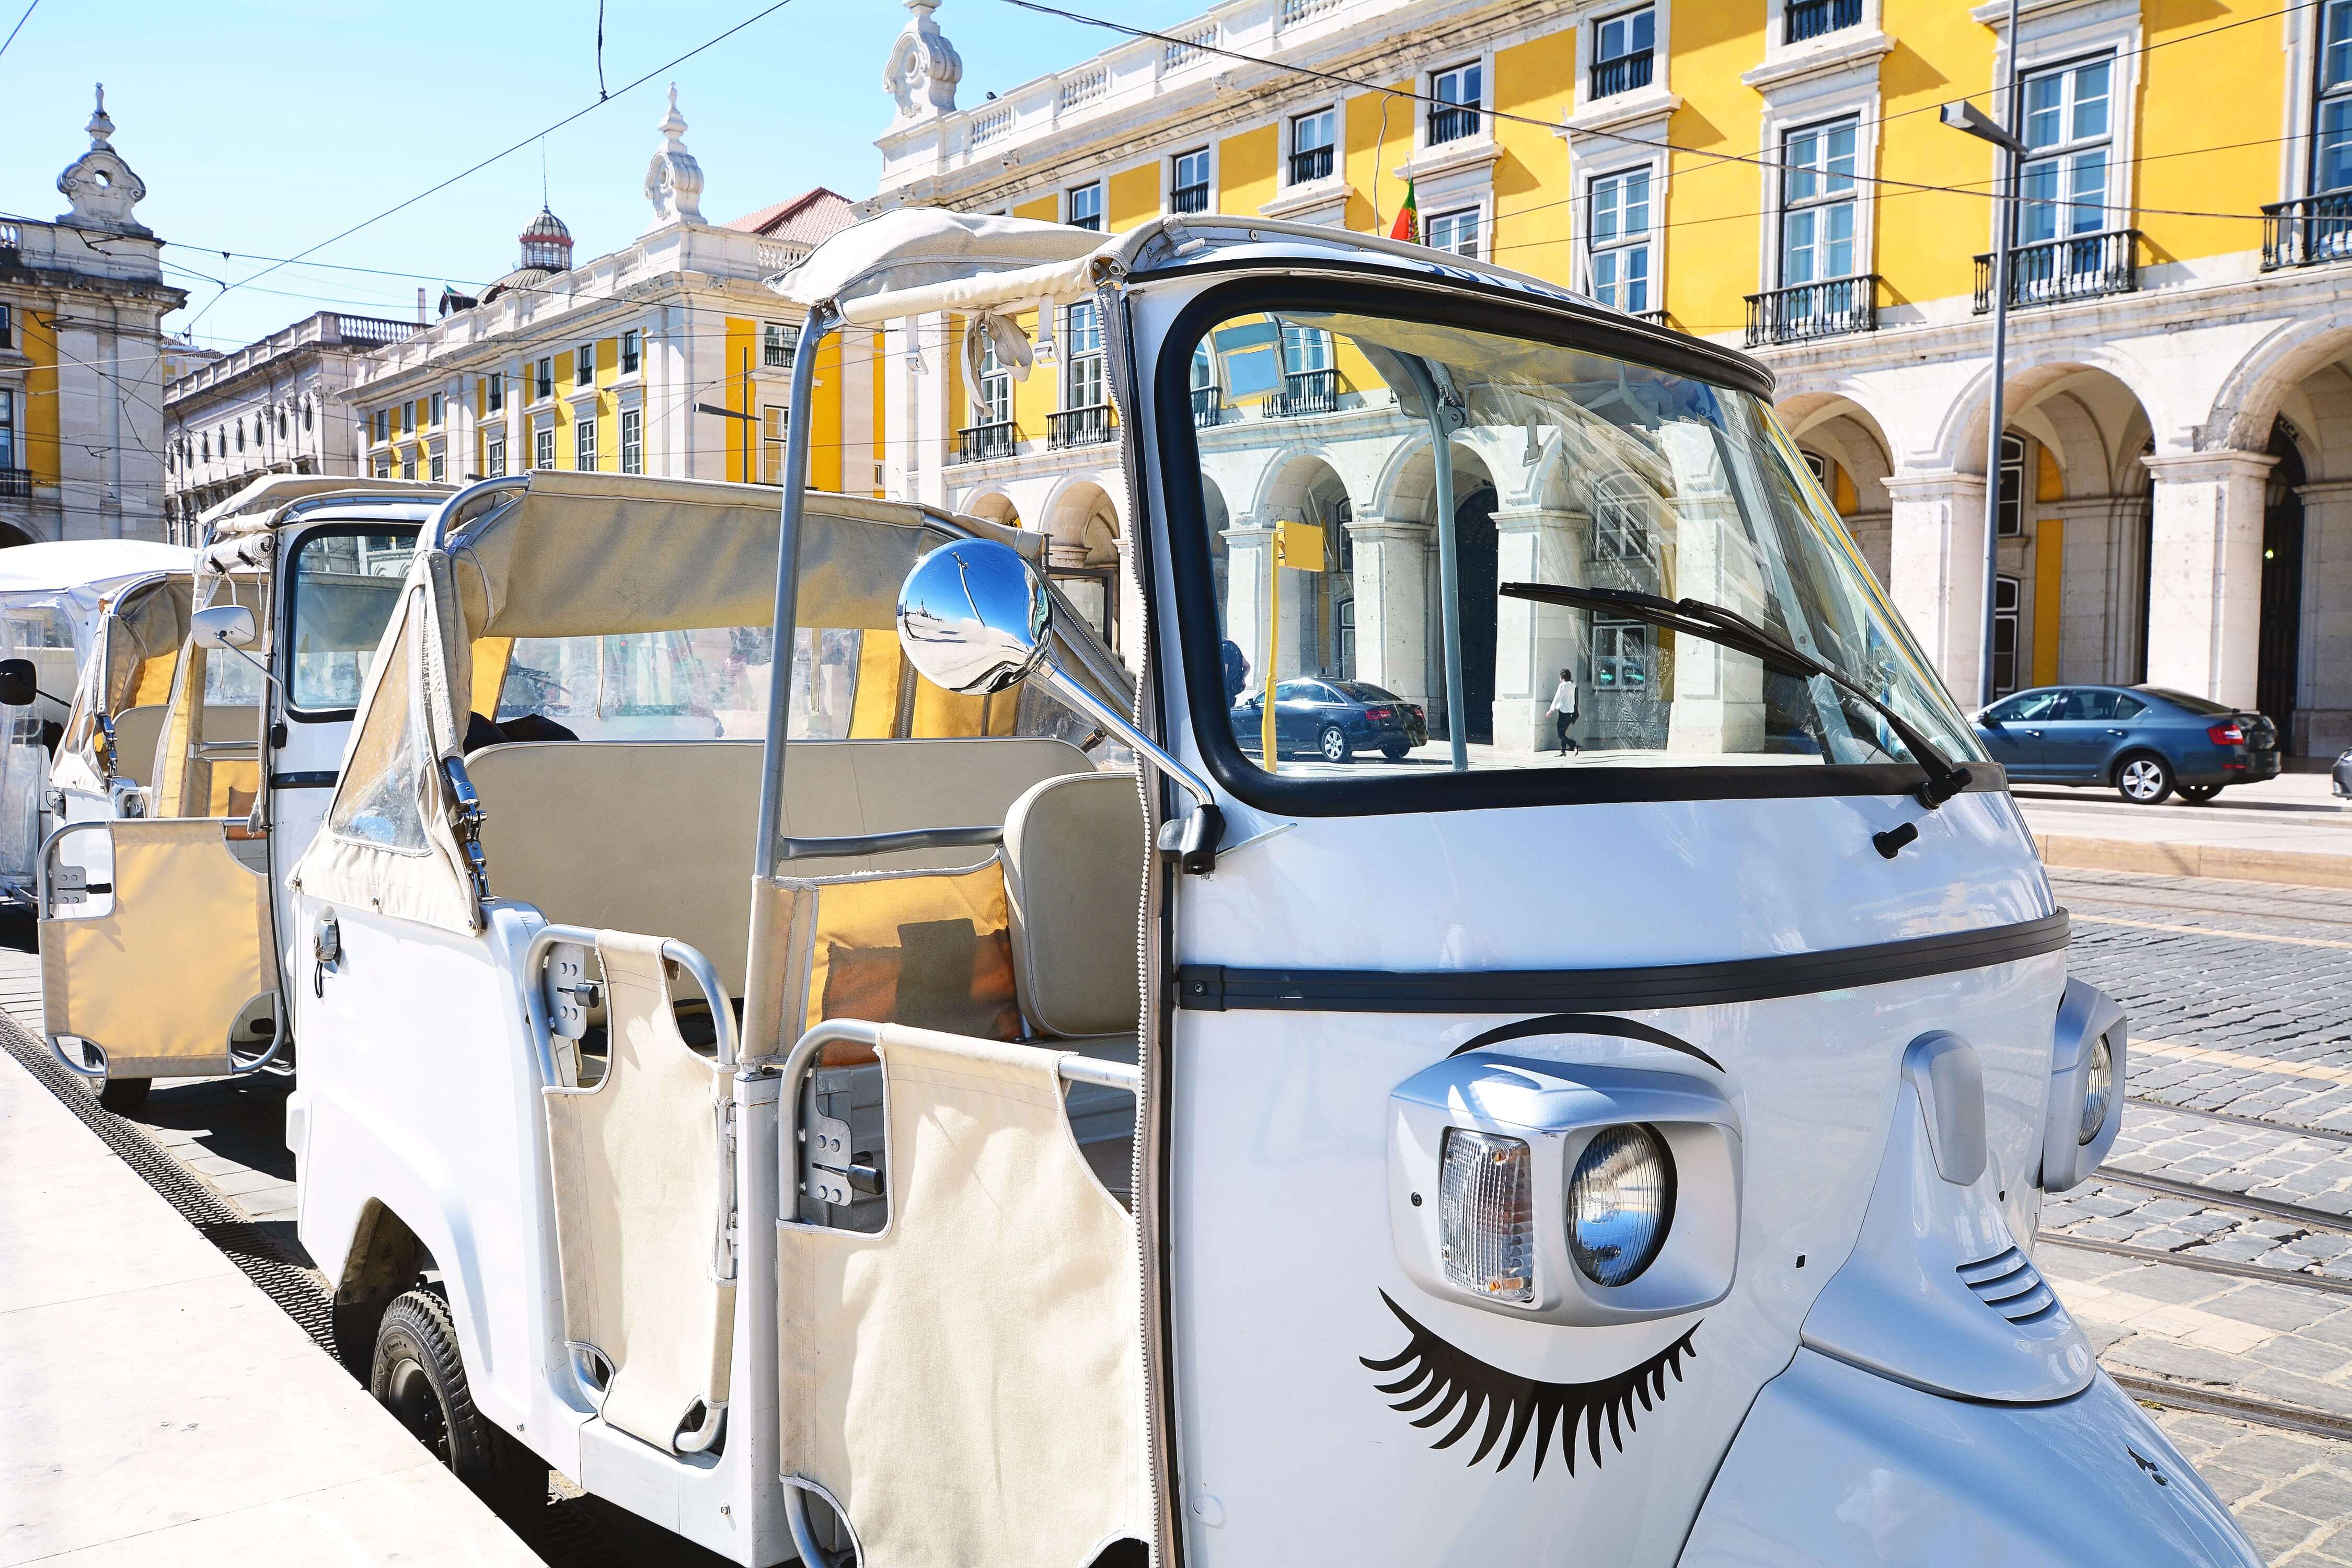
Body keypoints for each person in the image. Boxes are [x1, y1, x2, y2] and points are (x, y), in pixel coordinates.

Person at [1548, 667, 1579, 755]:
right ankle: (1563, 751)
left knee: (1561, 735)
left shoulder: (1562, 685)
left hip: (1563, 713)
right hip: (1571, 713)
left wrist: (1551, 710)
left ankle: (1574, 745)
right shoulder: (1573, 685)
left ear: (1562, 677)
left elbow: (1557, 697)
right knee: (1564, 732)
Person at [1221, 638, 1250, 707]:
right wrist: (1242, 679)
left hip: (1224, 692)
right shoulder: (1234, 647)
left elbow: (1223, 674)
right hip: (1232, 692)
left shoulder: (1224, 648)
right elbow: (1247, 666)